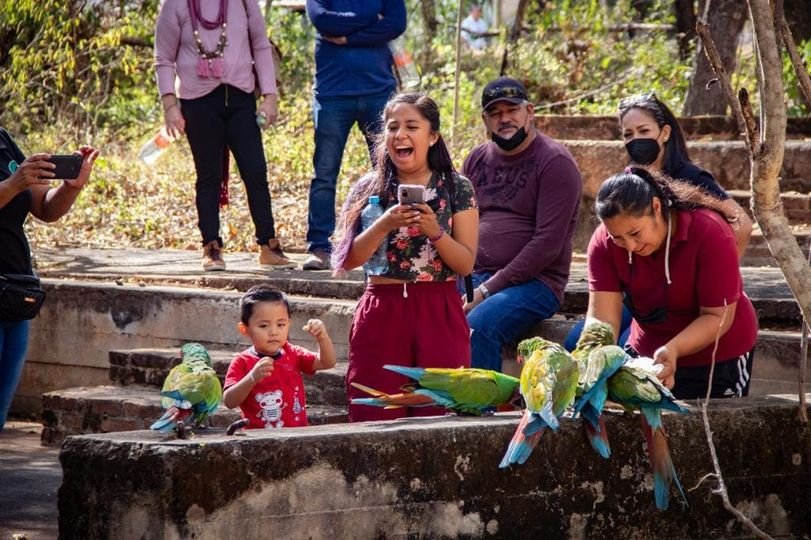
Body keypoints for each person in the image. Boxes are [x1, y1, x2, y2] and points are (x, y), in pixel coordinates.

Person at [563, 91, 753, 351]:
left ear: (664, 133)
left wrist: (715, 270)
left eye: (643, 131)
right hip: (642, 298)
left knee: (623, 344)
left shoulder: (690, 177)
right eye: (628, 134)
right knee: (580, 340)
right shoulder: (630, 180)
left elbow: (742, 224)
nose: (636, 140)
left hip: (681, 306)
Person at [331, 93, 479, 422]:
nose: (400, 135)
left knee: (441, 415)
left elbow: (466, 264)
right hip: (382, 309)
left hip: (439, 309)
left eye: (412, 126)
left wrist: (435, 231)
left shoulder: (457, 187)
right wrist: (385, 223)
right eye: (392, 127)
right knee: (375, 411)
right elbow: (348, 260)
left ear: (432, 136)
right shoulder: (367, 188)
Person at [587, 167, 757, 399]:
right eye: (618, 238)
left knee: (709, 432)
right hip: (646, 352)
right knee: (645, 428)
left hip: (717, 354)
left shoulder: (710, 231)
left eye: (635, 233)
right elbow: (602, 319)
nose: (630, 246)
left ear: (657, 208)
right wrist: (592, 355)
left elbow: (717, 316)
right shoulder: (603, 242)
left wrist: (673, 349)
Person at [155, 0, 294, 272]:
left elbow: (261, 46)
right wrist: (169, 104)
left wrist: (270, 97)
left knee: (255, 171)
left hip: (241, 97)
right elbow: (163, 58)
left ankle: (268, 244)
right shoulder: (176, 4)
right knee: (209, 175)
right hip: (198, 101)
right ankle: (211, 246)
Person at [462, 77, 583, 372]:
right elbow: (459, 221)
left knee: (477, 325)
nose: (504, 119)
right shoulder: (476, 159)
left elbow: (547, 244)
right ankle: (429, 408)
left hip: (537, 283)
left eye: (512, 110)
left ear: (529, 111)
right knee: (424, 311)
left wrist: (487, 290)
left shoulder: (554, 162)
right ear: (485, 120)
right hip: (474, 274)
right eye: (495, 113)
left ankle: (479, 413)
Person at [0, 128, 99, 431]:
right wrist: (12, 185)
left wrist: (71, 188)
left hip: (15, 293)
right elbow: (13, 188)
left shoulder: (3, 140)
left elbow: (44, 207)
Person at [301, 0, 407, 271]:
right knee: (325, 172)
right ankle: (319, 246)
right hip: (332, 93)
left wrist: (347, 36)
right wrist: (372, 18)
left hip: (378, 90)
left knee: (389, 168)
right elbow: (322, 21)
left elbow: (396, 24)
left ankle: (392, 243)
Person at [223, 285, 337, 429]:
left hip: (297, 437)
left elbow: (327, 362)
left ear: (289, 324)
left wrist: (322, 337)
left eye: (281, 324)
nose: (273, 332)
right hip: (259, 441)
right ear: (244, 329)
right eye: (263, 326)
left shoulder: (293, 353)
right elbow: (229, 401)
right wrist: (251, 378)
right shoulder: (243, 361)